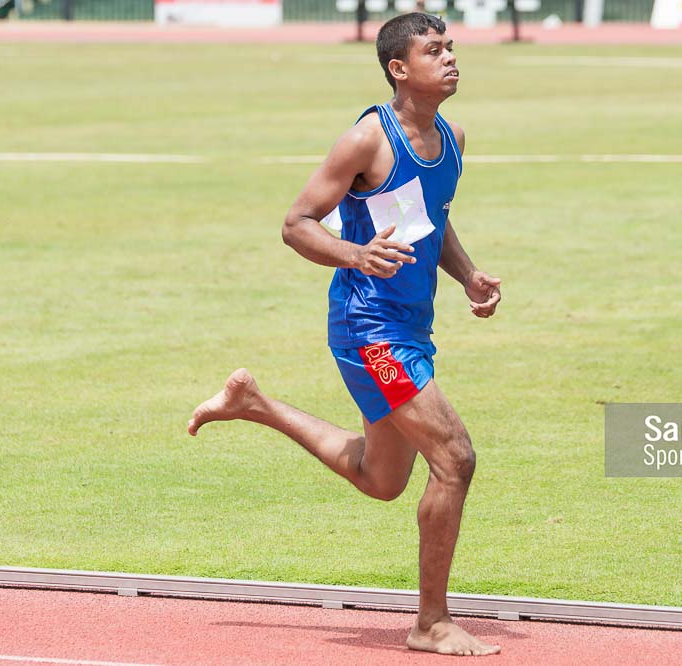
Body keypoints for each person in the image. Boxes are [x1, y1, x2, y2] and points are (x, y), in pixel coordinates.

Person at [187, 12, 502, 657]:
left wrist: (467, 274)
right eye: (433, 50)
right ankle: (431, 623)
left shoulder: (452, 137)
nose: (450, 57)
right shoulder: (366, 141)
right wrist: (355, 255)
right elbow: (296, 223)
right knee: (455, 458)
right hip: (370, 332)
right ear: (398, 69)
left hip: (410, 327)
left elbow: (430, 217)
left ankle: (254, 404)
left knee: (381, 478)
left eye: (451, 47)